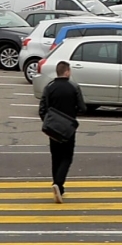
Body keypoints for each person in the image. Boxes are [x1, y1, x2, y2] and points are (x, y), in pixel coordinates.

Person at [38, 59, 83, 203]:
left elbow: (42, 109)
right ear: (67, 72)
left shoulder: (49, 87)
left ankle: (59, 188)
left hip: (53, 128)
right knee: (67, 156)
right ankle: (58, 183)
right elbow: (82, 108)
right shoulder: (74, 87)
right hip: (68, 128)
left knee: (56, 157)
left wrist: (49, 121)